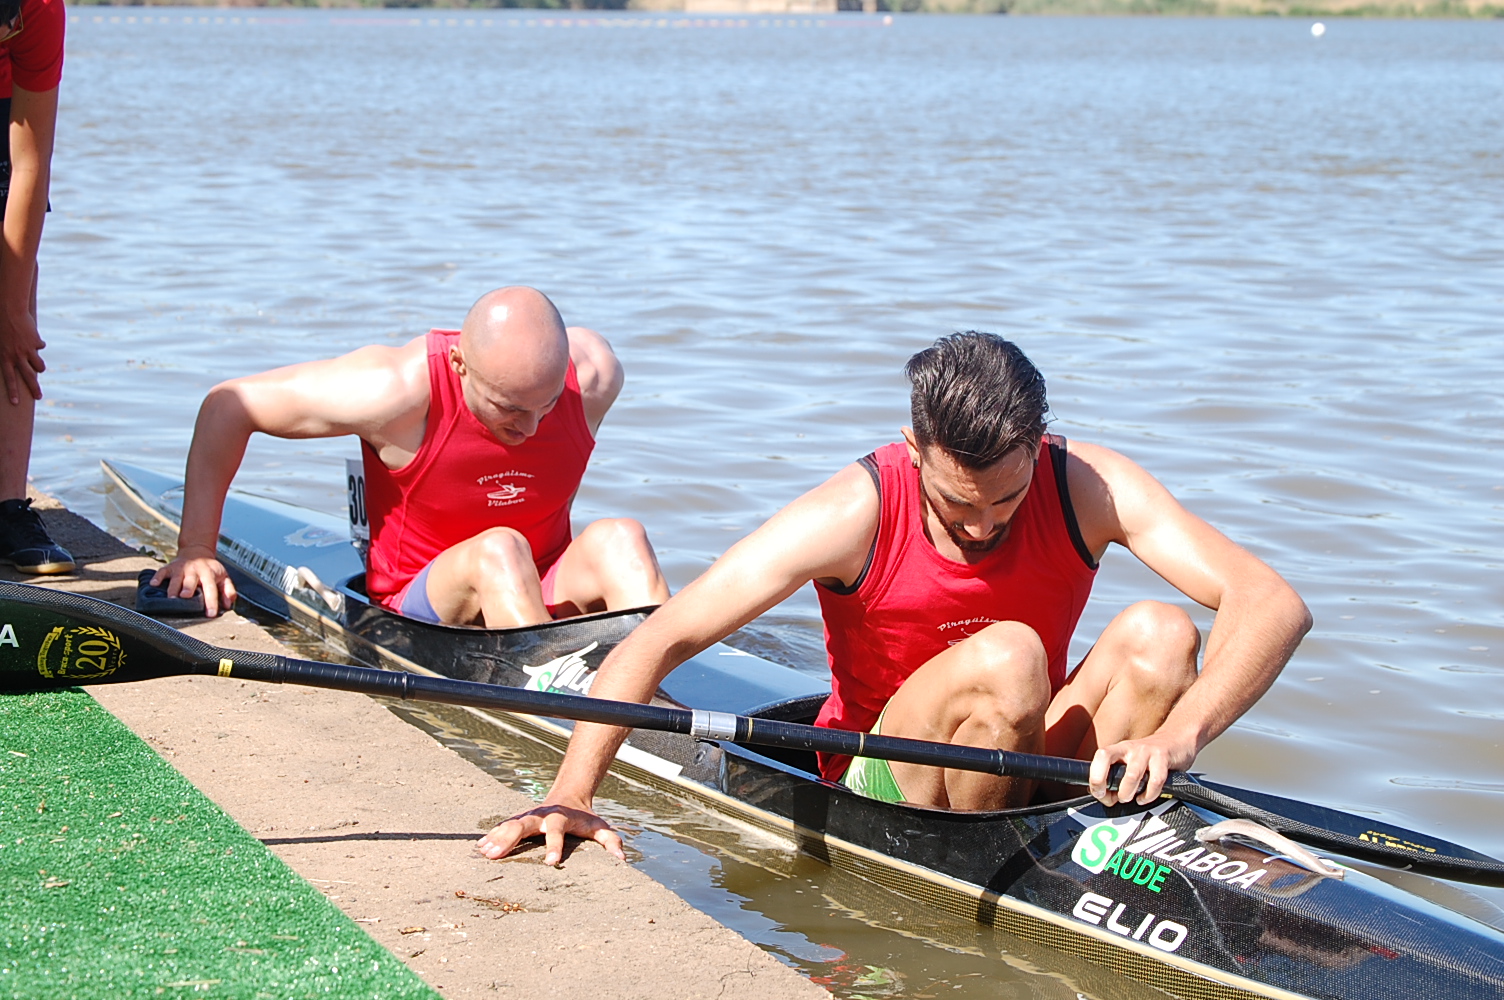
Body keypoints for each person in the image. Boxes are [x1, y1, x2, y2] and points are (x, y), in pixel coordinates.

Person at [477, 332, 1312, 866]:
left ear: (1037, 445)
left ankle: (1064, 830)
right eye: (959, 505)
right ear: (916, 450)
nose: (983, 527)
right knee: (1014, 653)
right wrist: (572, 795)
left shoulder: (1088, 483)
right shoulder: (852, 511)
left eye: (1006, 502)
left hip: (1015, 751)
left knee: (1162, 634)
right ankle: (997, 860)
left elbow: (1271, 602)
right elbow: (658, 642)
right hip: (881, 771)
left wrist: (1181, 733)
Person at [154, 286, 670, 625]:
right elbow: (228, 406)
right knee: (500, 548)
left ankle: (659, 686)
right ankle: (550, 689)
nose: (531, 428)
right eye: (510, 409)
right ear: (459, 363)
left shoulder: (596, 377)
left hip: (543, 575)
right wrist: (197, 546)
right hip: (420, 600)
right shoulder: (394, 391)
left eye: (548, 404)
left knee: (622, 537)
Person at [0, 0, 71, 575]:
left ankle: (7, 505)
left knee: (15, 302)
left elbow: (29, 164)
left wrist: (10, 308)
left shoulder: (39, 8)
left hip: (7, 110)